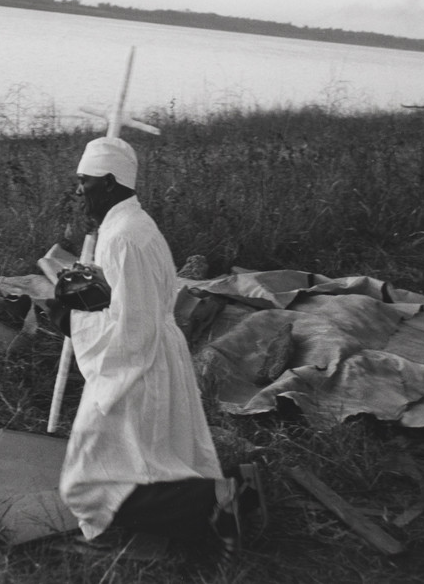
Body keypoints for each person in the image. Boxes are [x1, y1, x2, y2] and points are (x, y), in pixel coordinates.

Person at [50, 136, 263, 557]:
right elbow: (131, 302)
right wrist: (90, 287)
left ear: (109, 183)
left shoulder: (124, 237)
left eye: (84, 182)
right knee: (149, 460)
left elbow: (133, 328)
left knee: (86, 485)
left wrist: (70, 317)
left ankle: (219, 497)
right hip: (152, 356)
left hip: (137, 365)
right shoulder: (129, 225)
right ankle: (220, 503)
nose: (78, 192)